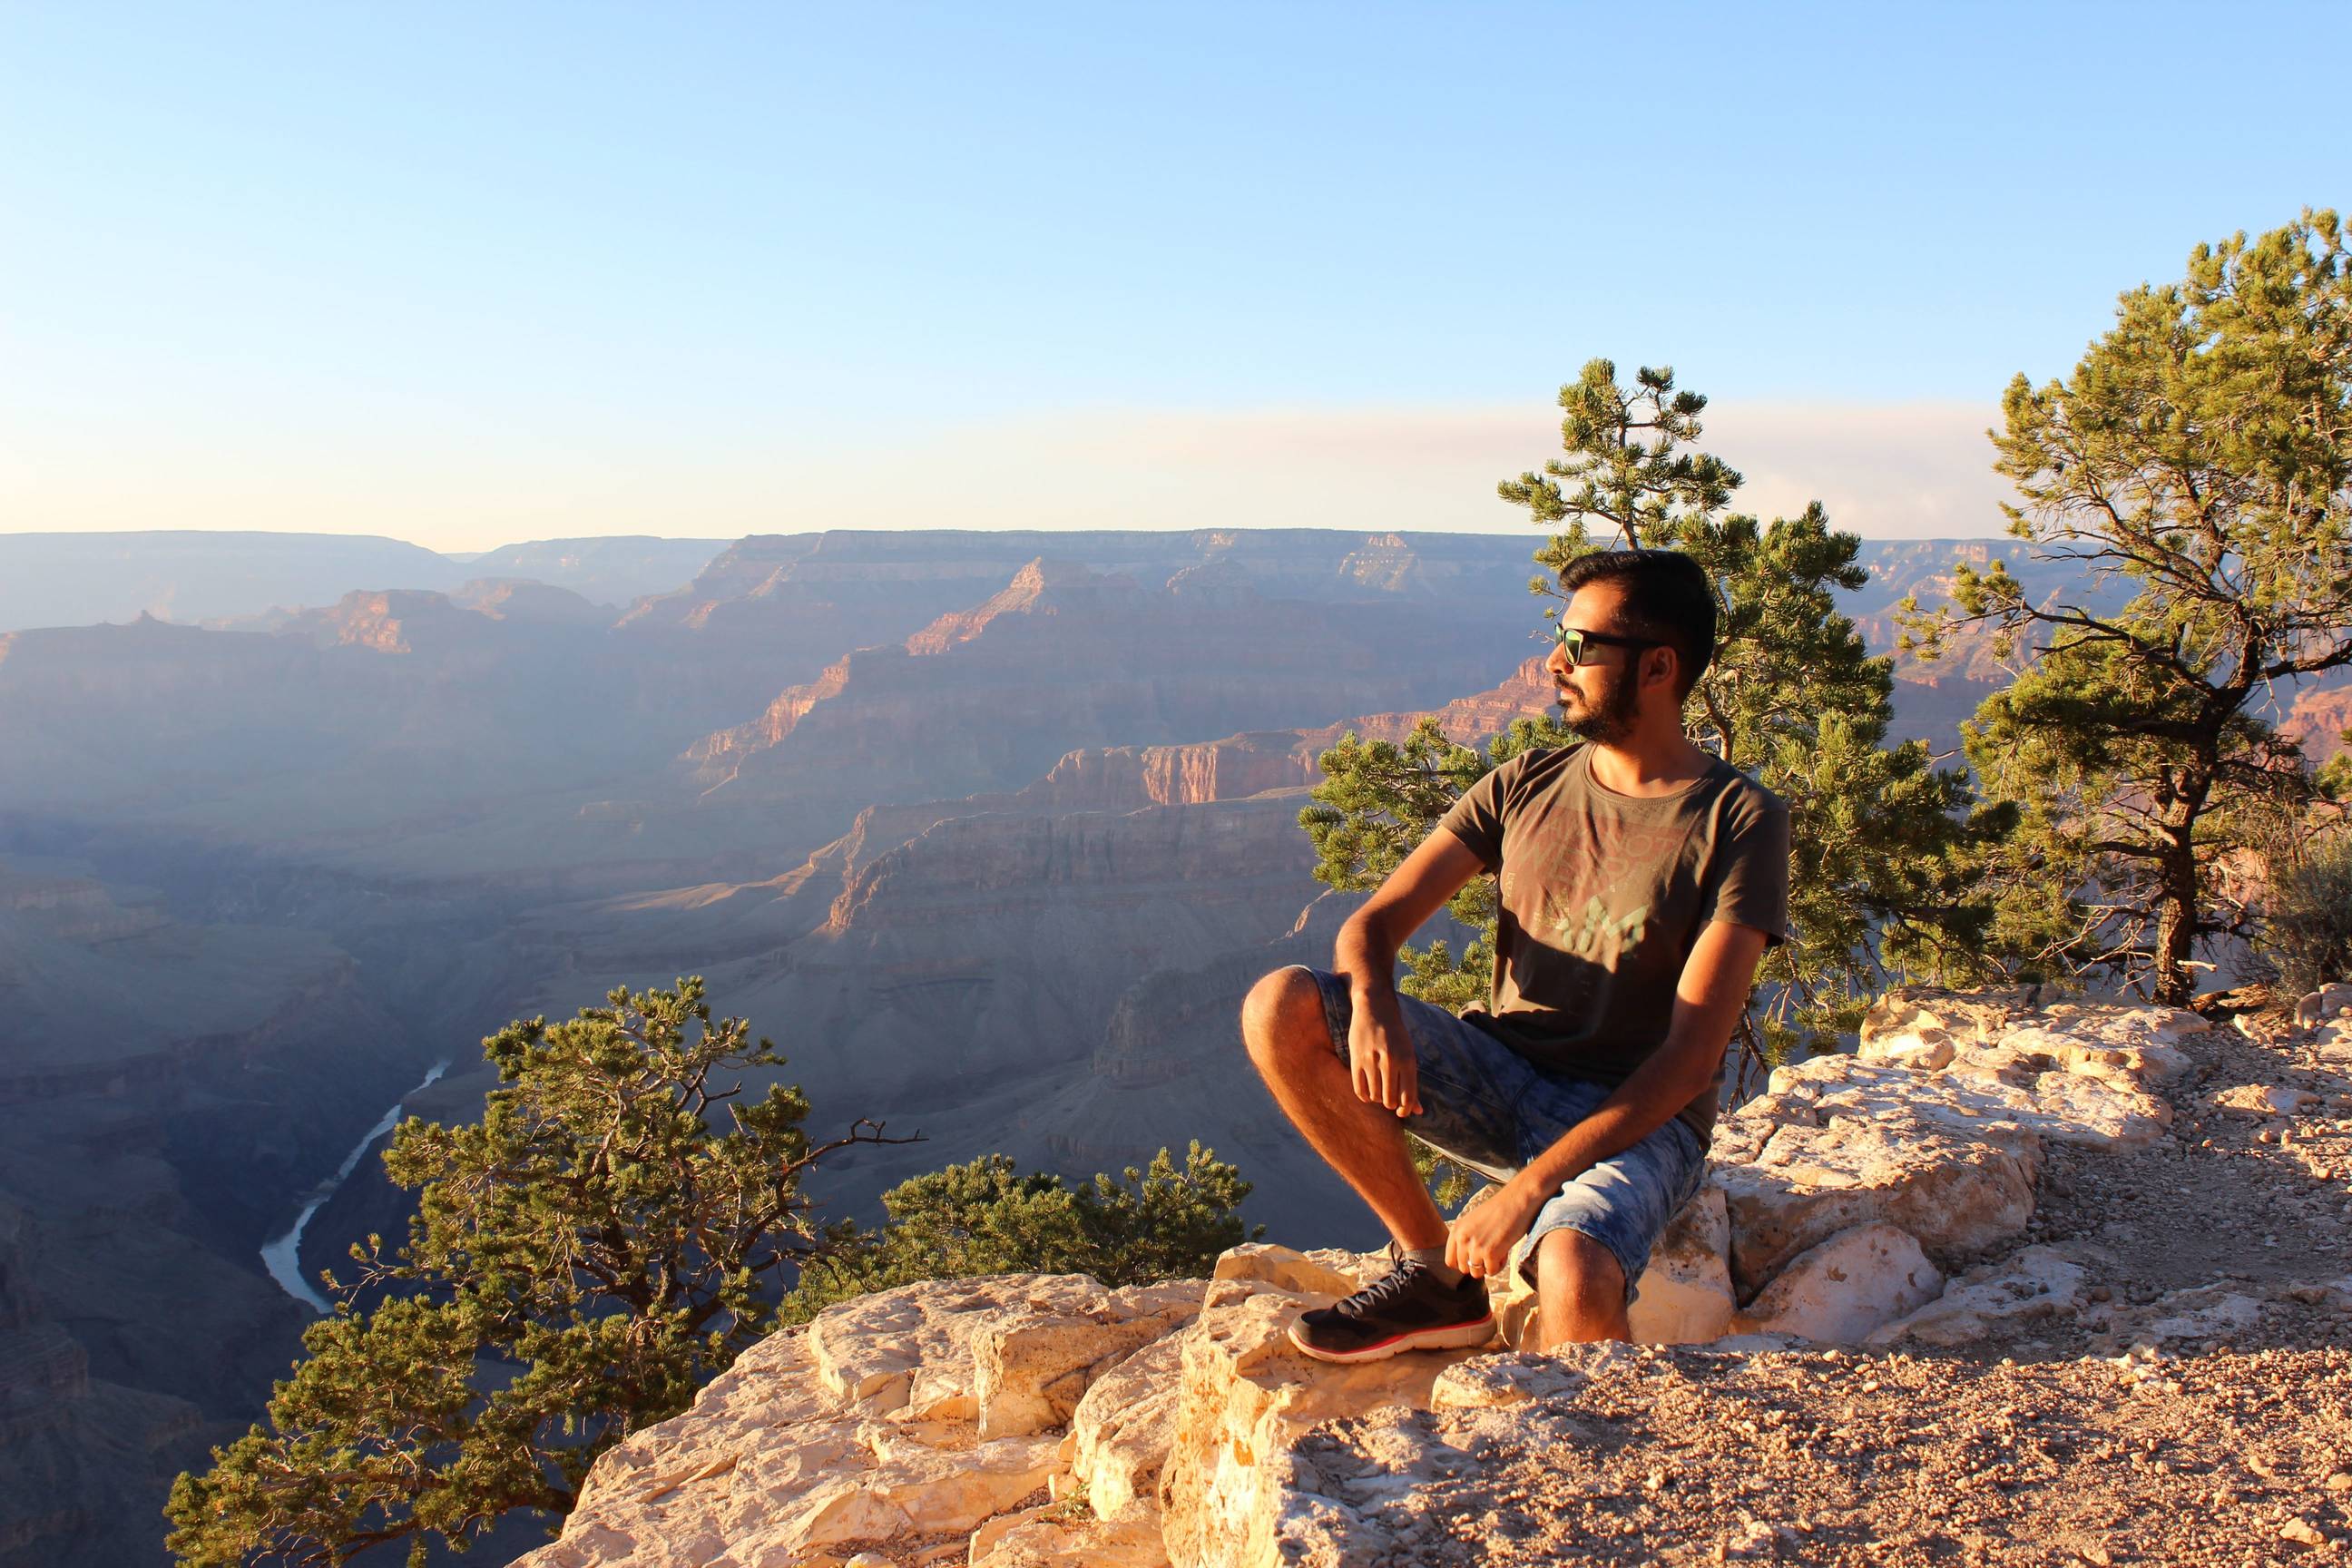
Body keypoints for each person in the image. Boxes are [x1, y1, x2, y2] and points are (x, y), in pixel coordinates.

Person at [1240, 548, 1789, 1361]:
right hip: (1503, 1076)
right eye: (1560, 638)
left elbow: (1687, 1063)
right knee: (1280, 1004)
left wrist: (1528, 1194)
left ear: (1659, 668)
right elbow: (1372, 926)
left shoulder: (1737, 820)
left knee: (1572, 1269)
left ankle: (1596, 1459)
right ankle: (1435, 1276)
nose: (1554, 663)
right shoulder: (1524, 783)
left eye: (1582, 645)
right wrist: (1374, 1006)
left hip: (1640, 1119)